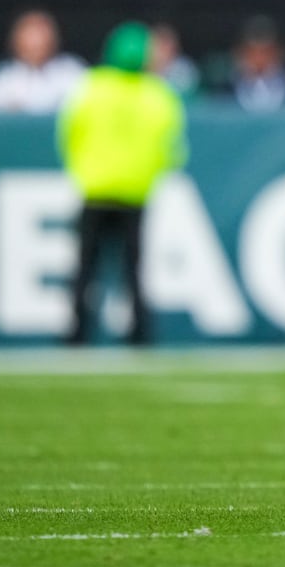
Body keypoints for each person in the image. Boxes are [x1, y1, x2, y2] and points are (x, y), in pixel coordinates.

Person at [57, 22, 187, 344]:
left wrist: (83, 169)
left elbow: (68, 134)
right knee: (134, 271)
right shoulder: (159, 94)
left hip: (95, 189)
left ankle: (75, 336)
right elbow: (173, 150)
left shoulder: (90, 87)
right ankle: (140, 336)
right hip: (134, 192)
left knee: (85, 270)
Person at [0, 10, 86, 113]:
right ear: (15, 40)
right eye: (30, 34)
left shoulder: (73, 72)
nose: (36, 42)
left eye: (42, 33)